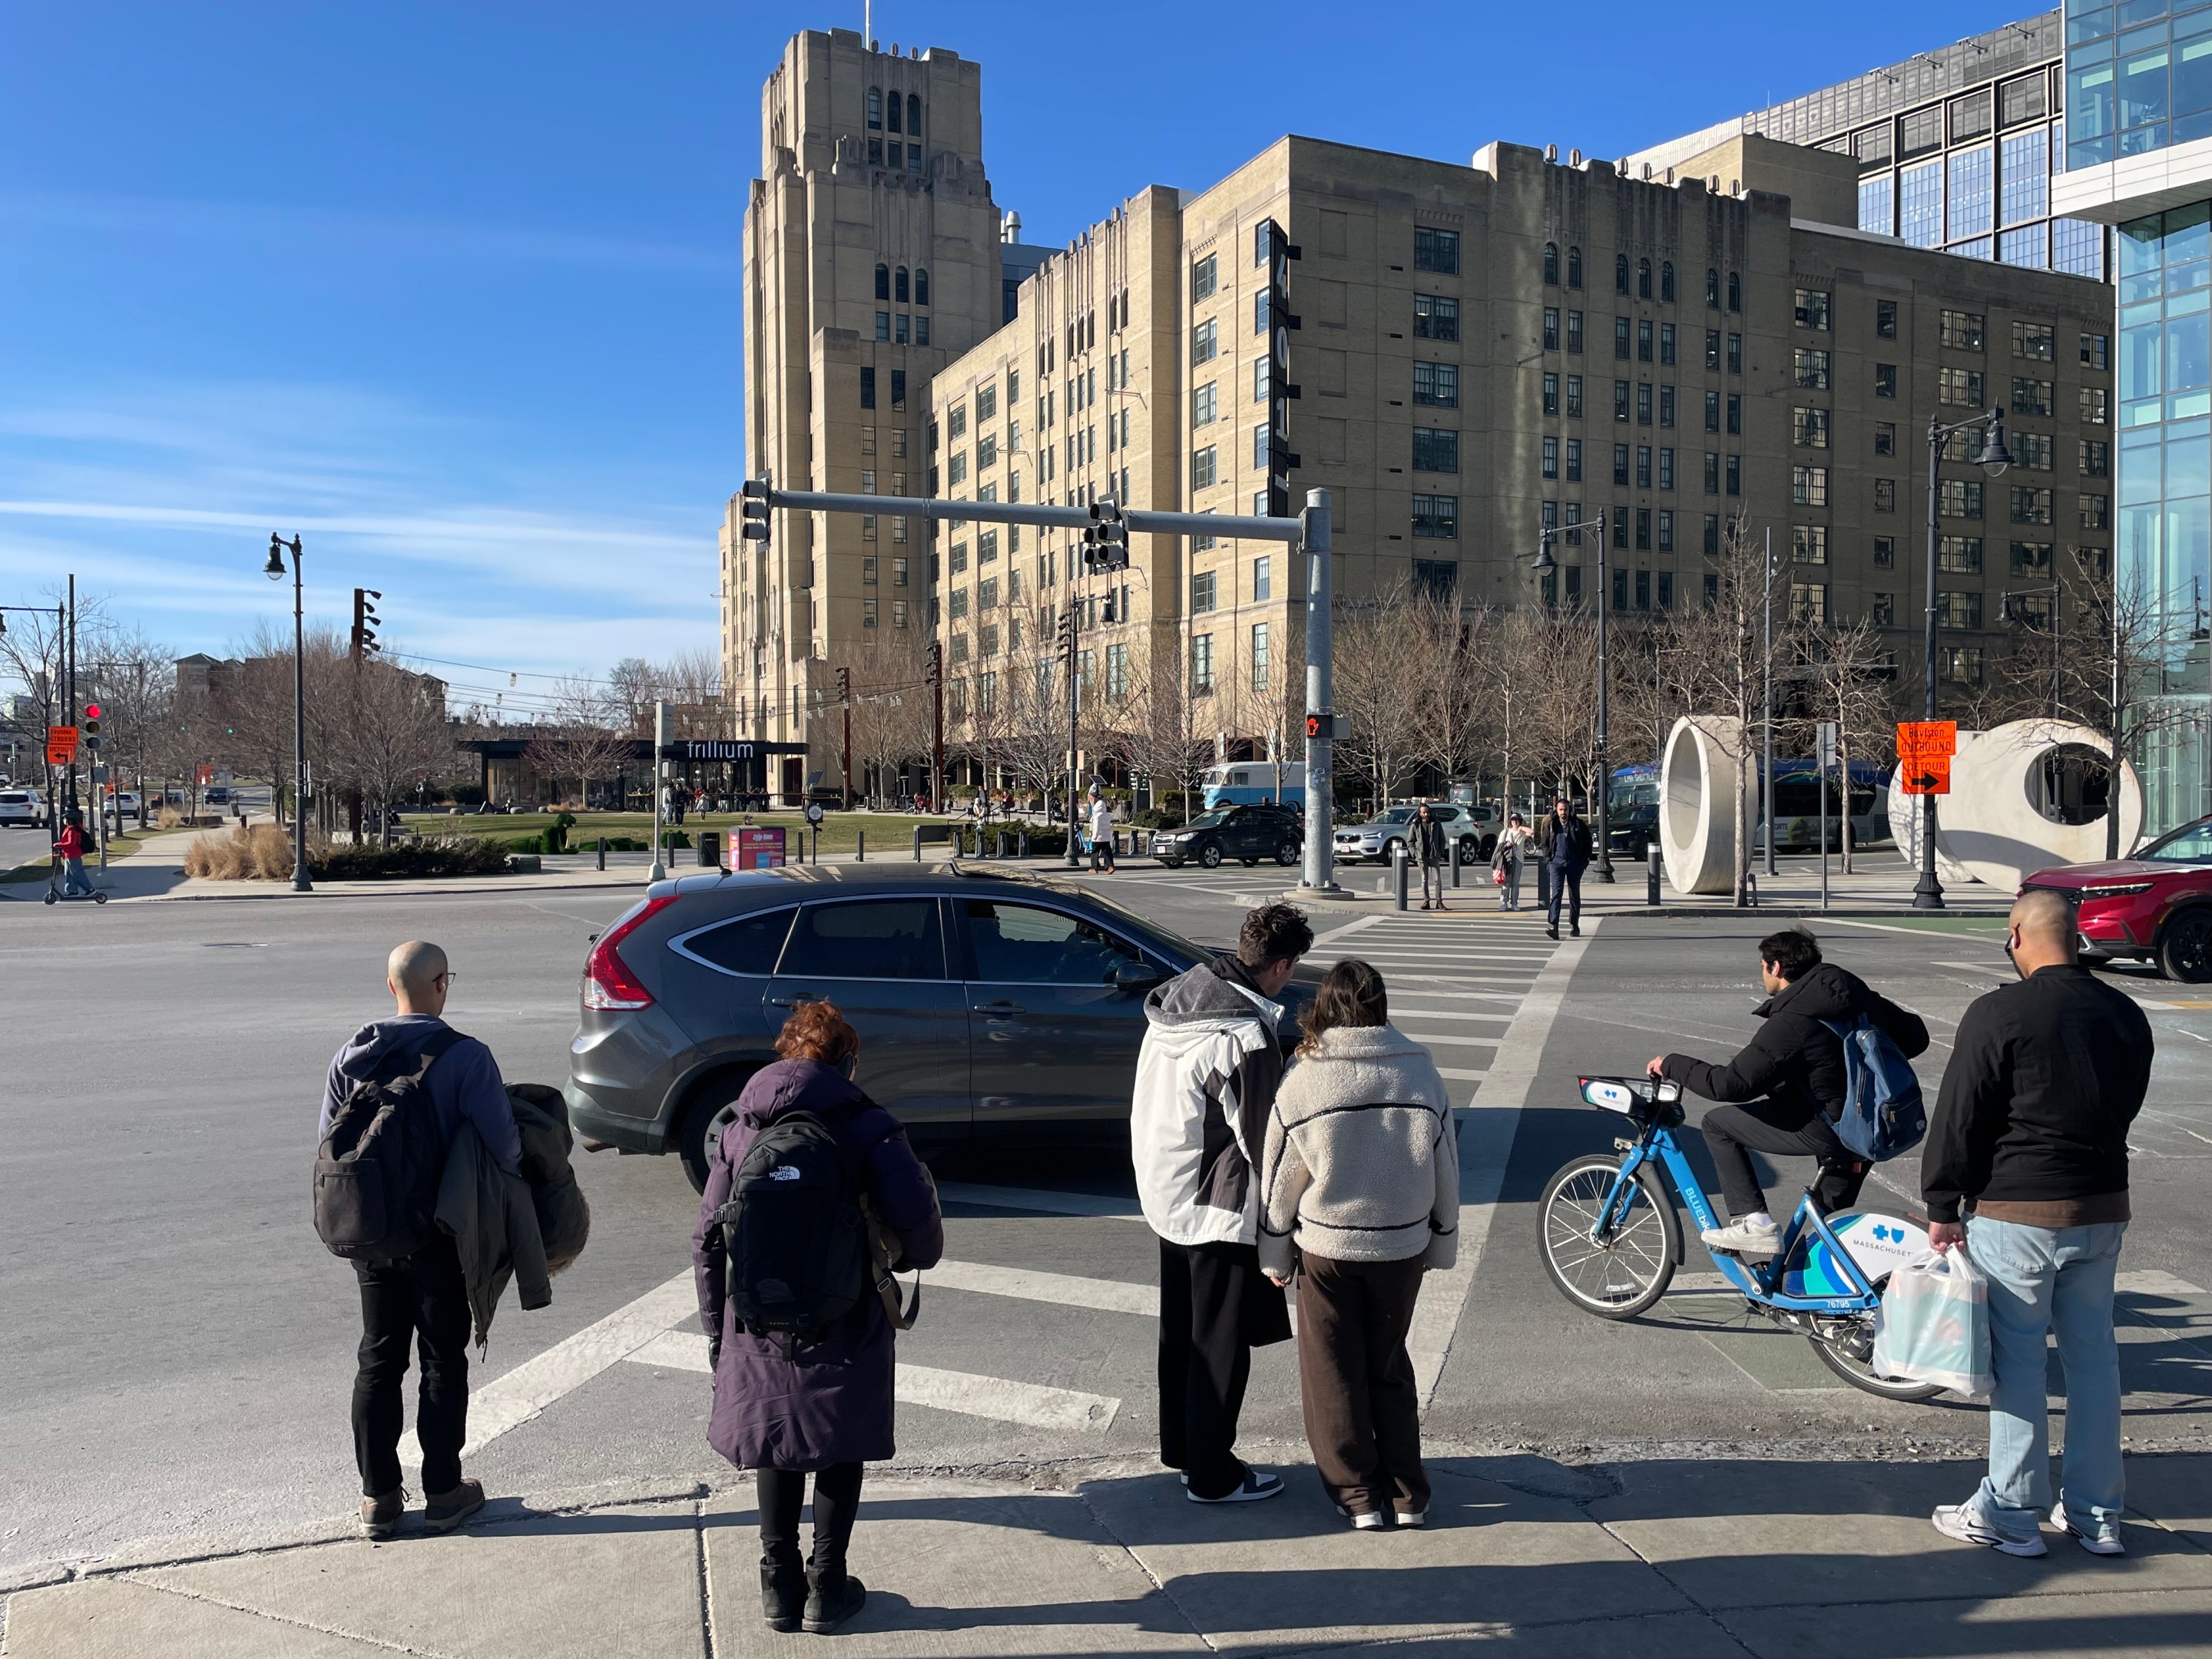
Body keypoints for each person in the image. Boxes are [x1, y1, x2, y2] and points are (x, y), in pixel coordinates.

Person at [691, 1002, 942, 1634]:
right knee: (838, 1441)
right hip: (847, 1310)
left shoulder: (739, 1127)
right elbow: (923, 1238)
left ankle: (779, 1584)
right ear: (847, 1060)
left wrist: (720, 1330)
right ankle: (827, 1589)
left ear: (784, 1056)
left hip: (758, 1315)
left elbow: (706, 1240)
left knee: (774, 1438)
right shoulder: (870, 1126)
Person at [1923, 889, 2153, 1558]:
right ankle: (2096, 1514)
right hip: (2102, 1205)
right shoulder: (2123, 1011)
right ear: (2076, 936)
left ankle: (2012, 1512)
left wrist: (1943, 1204)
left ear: (2017, 935)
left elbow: (1962, 1114)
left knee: (2019, 1365)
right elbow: (2126, 1103)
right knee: (2093, 1363)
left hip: (2018, 1210)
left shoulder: (2001, 1012)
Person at [322, 941, 521, 1539]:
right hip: (438, 1233)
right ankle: (443, 1492)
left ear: (390, 989)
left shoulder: (348, 1057)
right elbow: (506, 1147)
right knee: (441, 1358)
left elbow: (329, 1145)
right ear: (441, 985)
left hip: (372, 1232)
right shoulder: (466, 1057)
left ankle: (378, 1498)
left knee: (379, 1359)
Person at [1259, 960, 1457, 1529]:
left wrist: (1275, 1253)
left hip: (1327, 1249)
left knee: (1332, 1371)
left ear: (1324, 1007)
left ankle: (1357, 1496)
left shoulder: (1306, 1079)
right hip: (1402, 1246)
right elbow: (1446, 1165)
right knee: (1389, 1365)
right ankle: (1407, 1495)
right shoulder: (1419, 1071)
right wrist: (1442, 1239)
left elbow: (1280, 1178)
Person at [1132, 901, 1313, 1502]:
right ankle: (1211, 1474)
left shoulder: (1178, 1001)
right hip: (1217, 1202)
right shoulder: (1247, 1036)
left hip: (1167, 1187)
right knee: (1220, 1345)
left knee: (1182, 1333)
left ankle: (1184, 1450)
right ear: (1282, 966)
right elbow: (1266, 1140)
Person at [1647, 928, 1928, 1257]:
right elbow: (1916, 1037)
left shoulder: (1794, 1022)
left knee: (1718, 1124)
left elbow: (1731, 1085)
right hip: (1869, 1127)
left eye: (1763, 966)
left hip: (1830, 1130)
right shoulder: (1854, 994)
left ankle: (1756, 1223)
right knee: (1823, 1237)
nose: (1762, 973)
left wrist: (1672, 1064)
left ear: (1776, 968)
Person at [1535, 796, 1589, 939]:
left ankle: (1575, 925)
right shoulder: (1552, 824)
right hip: (1556, 864)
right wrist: (1549, 860)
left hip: (1574, 864)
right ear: (1557, 810)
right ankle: (1554, 926)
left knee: (1574, 895)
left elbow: (1587, 844)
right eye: (1560, 809)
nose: (1563, 812)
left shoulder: (1578, 824)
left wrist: (1583, 862)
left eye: (1565, 809)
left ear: (1569, 810)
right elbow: (1545, 843)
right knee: (1557, 894)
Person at [1409, 803, 1447, 911]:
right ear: (1420, 813)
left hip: (1434, 855)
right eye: (1424, 812)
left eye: (1428, 812)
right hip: (1422, 856)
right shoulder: (1415, 825)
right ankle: (1426, 901)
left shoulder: (1436, 823)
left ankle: (1439, 902)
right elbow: (1410, 841)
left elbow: (1442, 839)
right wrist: (1415, 853)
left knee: (1437, 880)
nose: (1426, 814)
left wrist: (1440, 851)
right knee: (1424, 879)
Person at [1490, 814, 1532, 912]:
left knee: (1515, 883)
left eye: (1516, 820)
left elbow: (1532, 832)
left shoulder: (1522, 833)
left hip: (1518, 859)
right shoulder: (1506, 832)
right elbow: (1499, 846)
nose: (1514, 822)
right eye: (1513, 820)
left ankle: (1514, 903)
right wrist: (1507, 844)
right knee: (1506, 881)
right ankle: (1504, 902)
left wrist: (1520, 828)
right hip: (1507, 859)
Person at [53, 809, 92, 896]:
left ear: (69, 820)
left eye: (65, 819)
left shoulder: (73, 831)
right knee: (69, 874)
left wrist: (59, 845)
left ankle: (90, 889)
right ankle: (72, 890)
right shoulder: (70, 829)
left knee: (78, 873)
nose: (63, 820)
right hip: (69, 855)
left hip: (74, 855)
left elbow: (72, 843)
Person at [1089, 785, 1117, 873]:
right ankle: (1110, 866)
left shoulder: (1097, 816)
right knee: (1107, 853)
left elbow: (1096, 827)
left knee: (1094, 852)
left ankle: (1094, 868)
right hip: (1106, 837)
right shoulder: (1107, 815)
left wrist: (1094, 836)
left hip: (1098, 837)